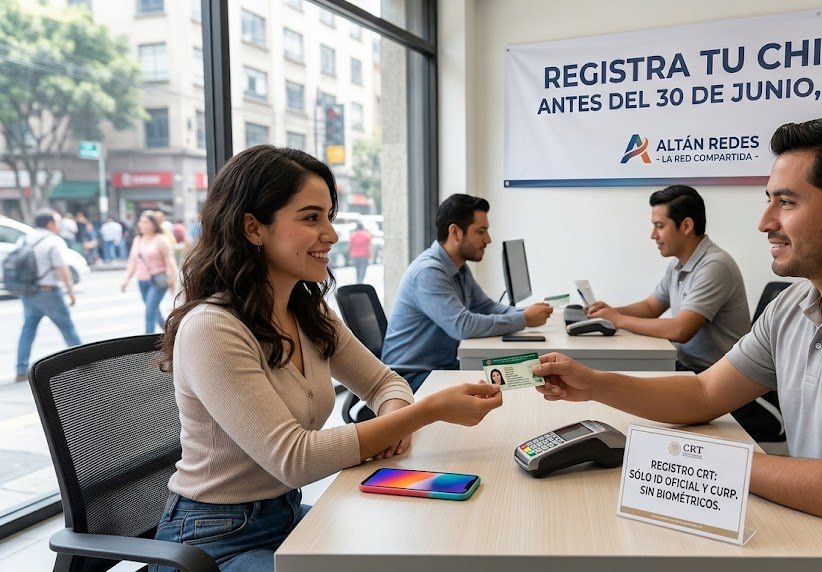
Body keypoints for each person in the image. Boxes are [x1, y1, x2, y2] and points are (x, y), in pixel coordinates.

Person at [531, 115, 822, 570]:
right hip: (815, 535)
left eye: (786, 203)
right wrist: (594, 384)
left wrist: (702, 462)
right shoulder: (794, 305)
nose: (764, 222)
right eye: (768, 200)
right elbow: (705, 392)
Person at [152, 145, 501, 571]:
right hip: (213, 541)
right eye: (311, 217)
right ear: (253, 227)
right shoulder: (213, 328)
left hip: (284, 515)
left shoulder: (307, 311)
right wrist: (421, 415)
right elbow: (294, 459)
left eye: (329, 217)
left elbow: (384, 383)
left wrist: (393, 417)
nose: (332, 235)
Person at [382, 194, 553, 392]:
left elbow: (487, 307)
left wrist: (524, 313)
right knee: (505, 387)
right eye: (481, 231)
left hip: (441, 368)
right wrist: (523, 319)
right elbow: (463, 326)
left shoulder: (459, 268)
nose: (488, 239)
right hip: (411, 377)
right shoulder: (428, 272)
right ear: (455, 232)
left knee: (519, 378)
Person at [586, 185, 749, 373]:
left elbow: (680, 330)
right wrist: (609, 312)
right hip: (688, 367)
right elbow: (650, 307)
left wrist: (617, 319)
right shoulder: (677, 264)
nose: (653, 235)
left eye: (660, 226)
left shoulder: (715, 266)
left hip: (717, 376)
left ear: (686, 226)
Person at [15, 209, 82, 382]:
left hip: (29, 292)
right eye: (58, 221)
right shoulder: (53, 241)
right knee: (67, 328)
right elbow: (61, 268)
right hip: (49, 292)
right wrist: (70, 291)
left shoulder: (25, 239)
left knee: (28, 329)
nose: (59, 225)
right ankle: (83, 362)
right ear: (50, 223)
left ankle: (21, 368)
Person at [121, 211, 177, 333]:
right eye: (141, 222)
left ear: (154, 224)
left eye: (146, 222)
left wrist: (172, 278)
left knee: (149, 312)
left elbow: (169, 260)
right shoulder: (138, 240)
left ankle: (147, 344)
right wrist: (126, 280)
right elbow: (132, 262)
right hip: (142, 281)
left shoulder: (161, 239)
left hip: (158, 281)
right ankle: (170, 333)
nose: (142, 225)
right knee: (154, 311)